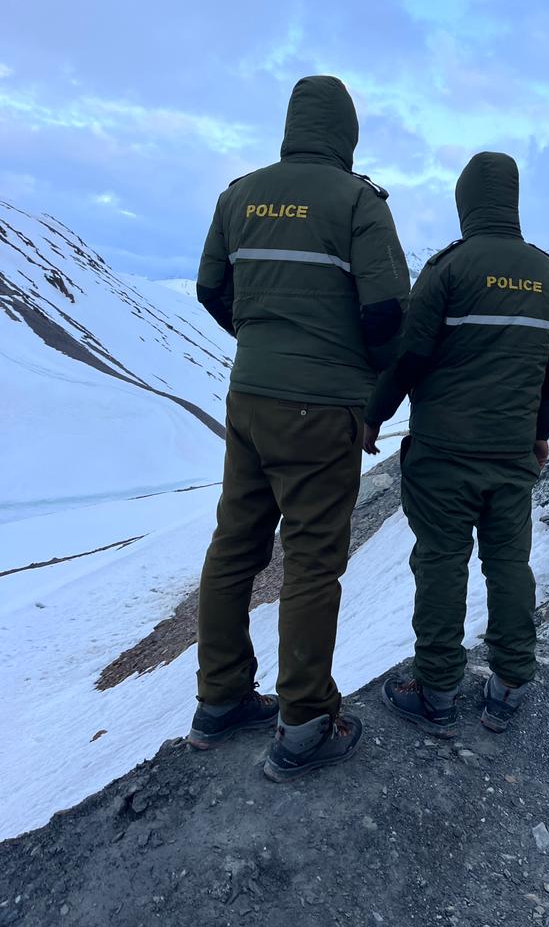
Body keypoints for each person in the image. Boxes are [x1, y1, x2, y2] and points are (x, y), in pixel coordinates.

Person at [188, 75, 409, 781]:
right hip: (323, 405)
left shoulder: (238, 194)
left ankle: (219, 700)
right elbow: (387, 315)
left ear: (292, 125)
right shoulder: (358, 203)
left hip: (249, 394)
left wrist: (260, 337)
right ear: (346, 132)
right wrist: (361, 383)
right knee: (313, 560)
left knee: (234, 547)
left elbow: (209, 290)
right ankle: (306, 720)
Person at [364, 151, 549, 735]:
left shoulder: (448, 270)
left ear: (465, 203)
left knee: (440, 565)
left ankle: (436, 693)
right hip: (511, 455)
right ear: (511, 200)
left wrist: (373, 416)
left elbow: (408, 356)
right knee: (509, 564)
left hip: (443, 456)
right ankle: (508, 685)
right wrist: (539, 436)